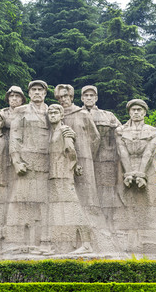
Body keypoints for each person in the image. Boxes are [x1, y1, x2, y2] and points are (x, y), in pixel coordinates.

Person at [114, 99, 156, 258]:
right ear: (129, 112)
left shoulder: (154, 131)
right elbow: (122, 152)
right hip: (126, 169)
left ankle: (155, 242)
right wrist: (128, 173)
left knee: (151, 202)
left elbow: (149, 152)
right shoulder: (120, 131)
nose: (136, 113)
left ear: (145, 112)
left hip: (148, 170)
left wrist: (140, 174)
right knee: (124, 203)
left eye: (139, 110)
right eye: (133, 110)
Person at [5, 80, 51, 253]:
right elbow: (15, 136)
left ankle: (43, 241)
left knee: (44, 203)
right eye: (34, 90)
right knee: (22, 201)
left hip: (47, 162)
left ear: (45, 93)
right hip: (26, 161)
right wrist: (16, 161)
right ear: (29, 94)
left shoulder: (51, 111)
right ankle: (18, 241)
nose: (37, 92)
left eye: (40, 90)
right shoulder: (21, 111)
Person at [46, 104, 93, 255]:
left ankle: (86, 244)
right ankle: (59, 245)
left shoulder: (65, 130)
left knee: (73, 207)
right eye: (50, 113)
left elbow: (71, 150)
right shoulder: (53, 131)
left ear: (61, 115)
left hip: (63, 172)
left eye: (55, 112)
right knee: (59, 209)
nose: (52, 115)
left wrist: (73, 165)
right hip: (55, 173)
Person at [54, 84, 101, 219]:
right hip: (63, 158)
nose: (63, 99)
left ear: (71, 96)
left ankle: (91, 218)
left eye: (65, 96)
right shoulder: (56, 114)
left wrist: (89, 156)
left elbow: (95, 137)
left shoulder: (83, 114)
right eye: (60, 97)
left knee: (86, 191)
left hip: (85, 156)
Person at [81, 85, 122, 226]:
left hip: (106, 159)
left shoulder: (107, 115)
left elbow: (122, 132)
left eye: (92, 95)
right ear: (81, 98)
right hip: (83, 159)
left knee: (107, 191)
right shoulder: (76, 114)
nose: (89, 98)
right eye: (86, 95)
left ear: (96, 98)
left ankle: (108, 224)